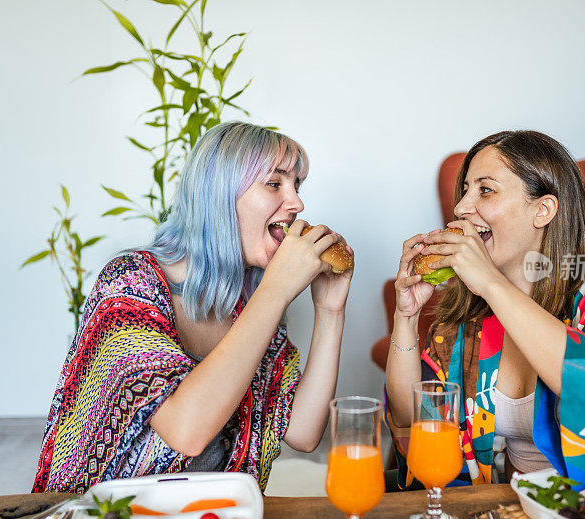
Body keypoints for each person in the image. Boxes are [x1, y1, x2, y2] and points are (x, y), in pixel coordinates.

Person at [33, 122, 353, 493]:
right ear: (218, 195)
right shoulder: (127, 287)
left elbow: (302, 431)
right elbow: (187, 431)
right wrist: (278, 289)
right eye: (274, 183)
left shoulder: (244, 306)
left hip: (206, 516)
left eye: (297, 185)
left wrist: (331, 310)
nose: (297, 203)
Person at [385, 130, 585, 490]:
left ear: (542, 210)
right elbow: (416, 419)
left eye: (485, 190)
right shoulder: (471, 303)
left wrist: (490, 283)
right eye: (466, 189)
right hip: (504, 508)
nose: (460, 208)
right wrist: (405, 317)